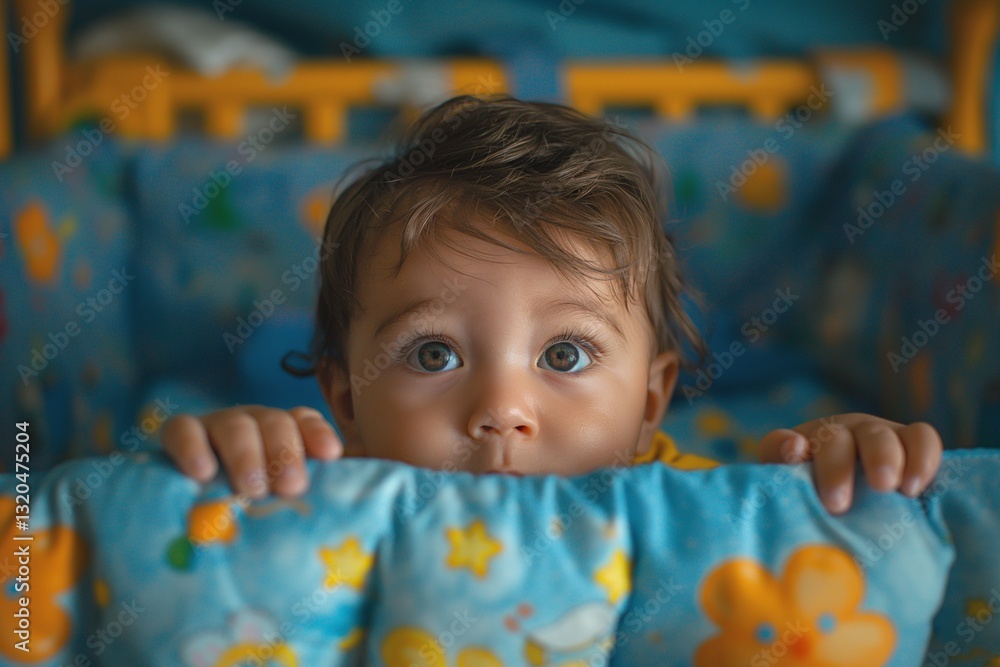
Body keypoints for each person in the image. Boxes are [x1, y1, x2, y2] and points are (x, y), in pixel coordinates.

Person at [161, 95, 942, 515]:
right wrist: (238, 467)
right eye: (434, 353)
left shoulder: (690, 506)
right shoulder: (327, 498)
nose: (502, 411)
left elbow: (781, 536)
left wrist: (831, 467)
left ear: (649, 399)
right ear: (346, 402)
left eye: (564, 354)